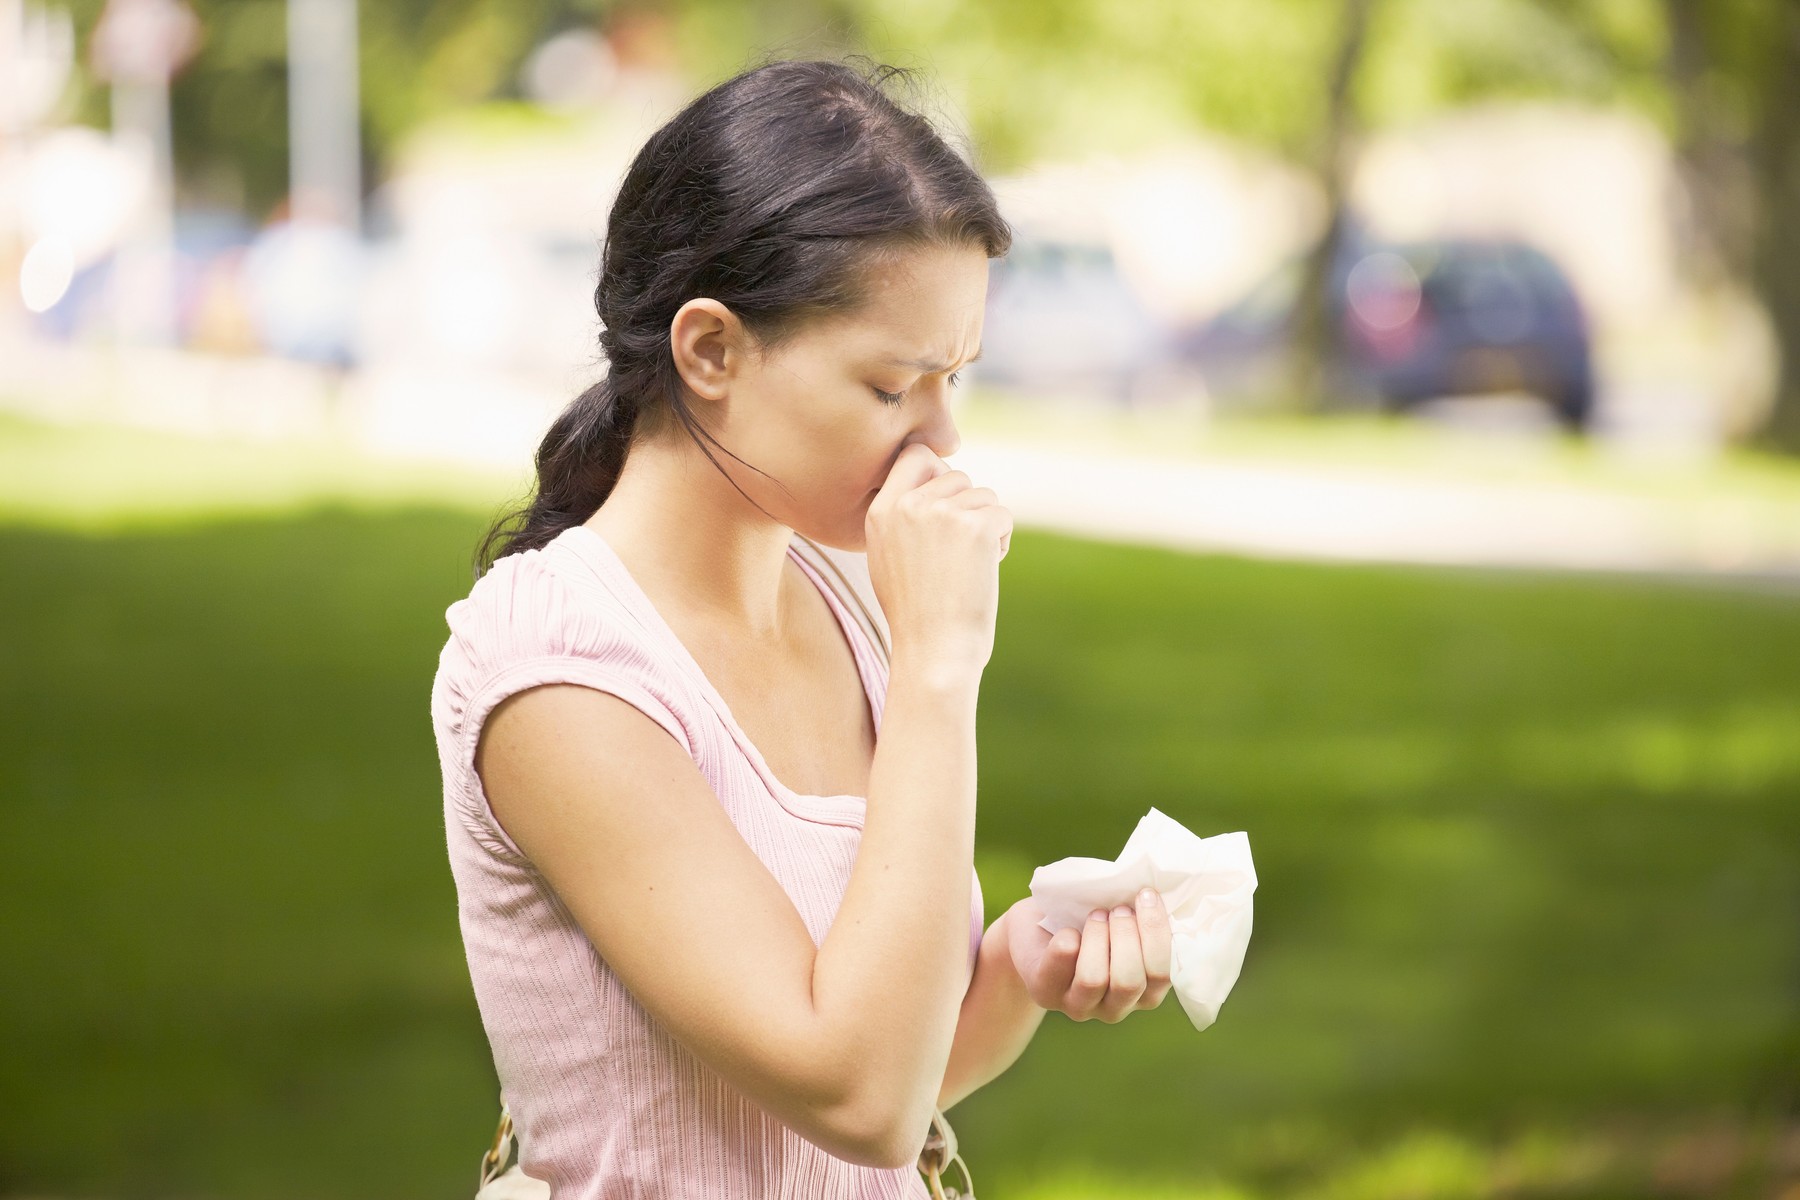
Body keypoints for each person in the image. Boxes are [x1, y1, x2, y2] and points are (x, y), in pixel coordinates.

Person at [429, 56, 1174, 1198]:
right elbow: (857, 1097)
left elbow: (890, 1079)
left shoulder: (839, 595)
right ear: (710, 350)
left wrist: (1019, 965)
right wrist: (937, 670)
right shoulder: (559, 667)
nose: (942, 441)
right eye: (892, 387)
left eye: (955, 380)